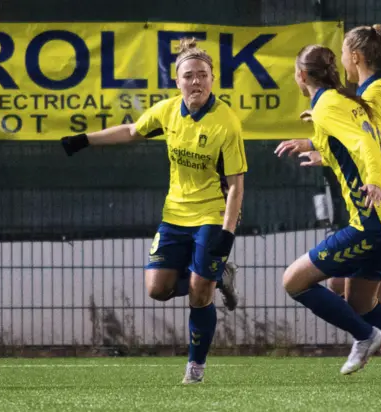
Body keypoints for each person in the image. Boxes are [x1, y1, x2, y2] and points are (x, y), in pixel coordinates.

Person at [60, 38, 247, 384]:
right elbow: (132, 130)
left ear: (212, 79)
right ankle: (216, 275)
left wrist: (227, 232)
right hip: (174, 214)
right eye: (188, 76)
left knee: (198, 293)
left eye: (202, 75)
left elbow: (236, 185)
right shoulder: (168, 111)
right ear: (177, 81)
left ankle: (195, 367)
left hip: (210, 215)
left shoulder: (226, 123)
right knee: (157, 290)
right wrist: (85, 139)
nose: (196, 82)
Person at [280, 25, 381, 385]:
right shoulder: (358, 97)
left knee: (302, 283)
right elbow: (357, 139)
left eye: (344, 51)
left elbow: (367, 144)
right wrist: (319, 146)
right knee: (358, 296)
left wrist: (367, 175)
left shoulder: (366, 96)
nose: (342, 58)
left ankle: (373, 335)